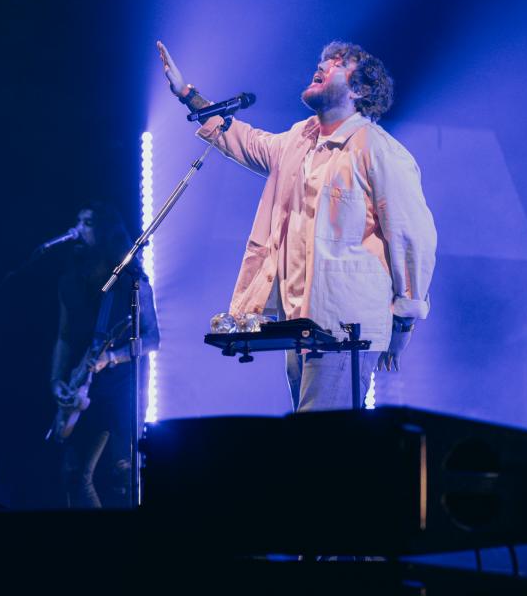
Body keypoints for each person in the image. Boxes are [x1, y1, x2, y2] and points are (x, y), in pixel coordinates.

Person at [157, 40, 436, 412]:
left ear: (360, 90)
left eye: (337, 63)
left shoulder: (377, 149)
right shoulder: (299, 140)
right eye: (323, 60)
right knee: (313, 440)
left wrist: (404, 320)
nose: (322, 65)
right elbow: (245, 141)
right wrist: (187, 95)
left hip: (344, 329)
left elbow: (412, 236)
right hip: (301, 324)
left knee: (318, 440)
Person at [50, 202, 160, 507]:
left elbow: (152, 339)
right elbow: (64, 336)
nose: (77, 229)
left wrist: (112, 357)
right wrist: (56, 380)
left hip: (119, 391)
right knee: (75, 477)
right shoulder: (69, 283)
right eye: (78, 221)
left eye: (87, 223)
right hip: (81, 388)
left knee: (118, 475)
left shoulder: (131, 282)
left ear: (106, 231)